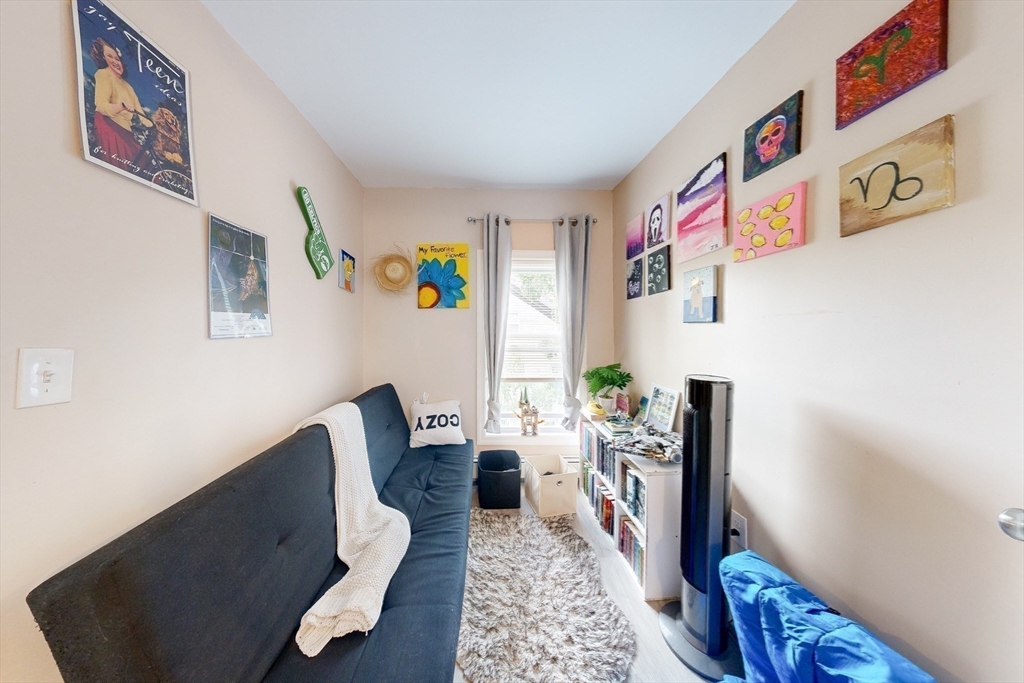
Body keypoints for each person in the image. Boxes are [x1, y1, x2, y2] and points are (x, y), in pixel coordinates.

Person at [89, 37, 151, 167]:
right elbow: (101, 105)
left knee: (146, 165)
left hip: (126, 131)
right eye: (110, 57)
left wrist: (152, 125)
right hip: (109, 125)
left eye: (117, 58)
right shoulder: (103, 74)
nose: (115, 61)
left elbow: (141, 114)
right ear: (103, 58)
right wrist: (121, 106)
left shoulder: (128, 87)